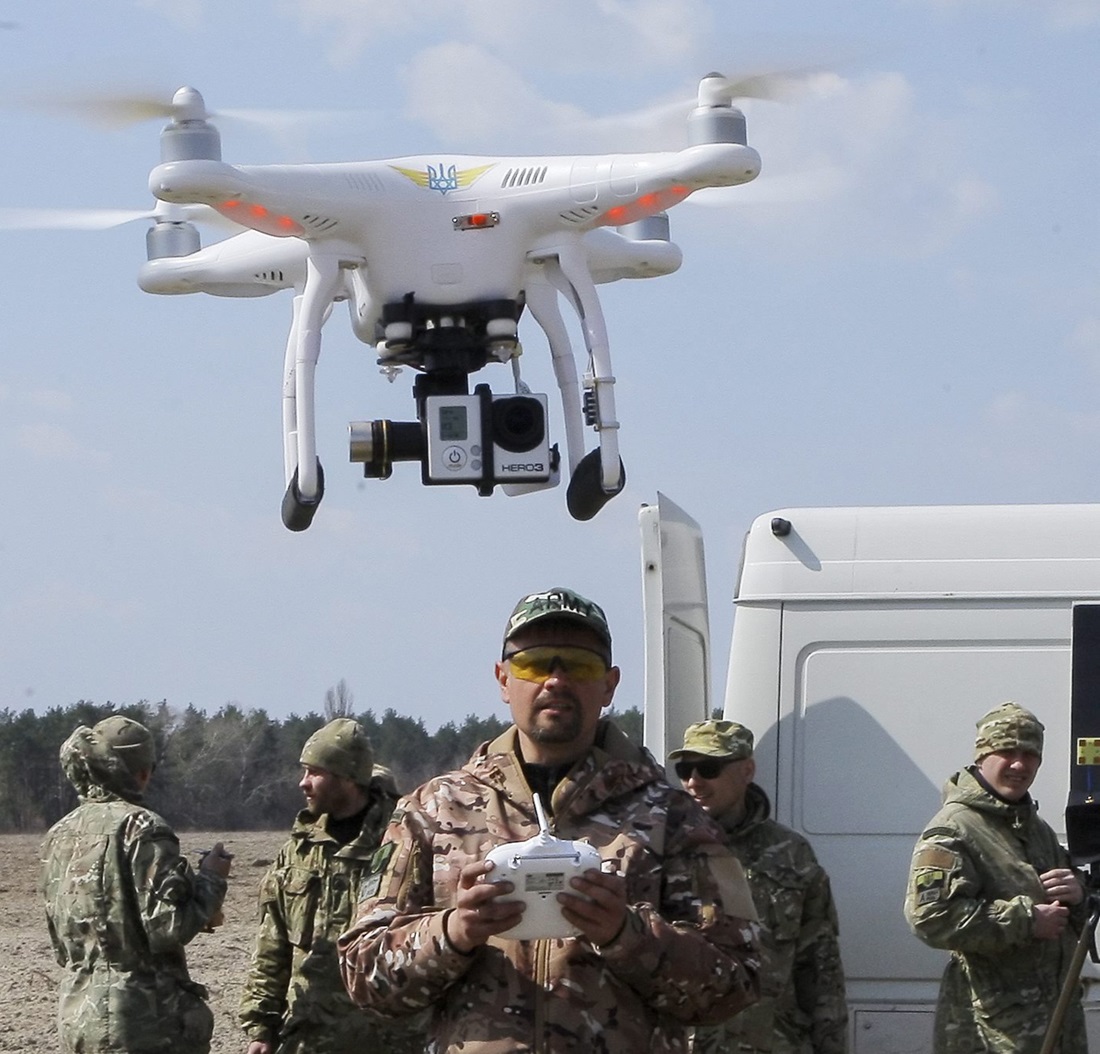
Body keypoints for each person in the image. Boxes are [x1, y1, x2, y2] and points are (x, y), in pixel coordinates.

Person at [339, 586, 762, 1054]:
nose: (555, 681)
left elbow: (738, 982)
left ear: (609, 684)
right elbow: (363, 978)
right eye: (534, 664)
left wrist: (627, 935)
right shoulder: (433, 810)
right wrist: (455, 931)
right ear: (503, 680)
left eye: (579, 666)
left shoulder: (673, 817)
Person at [904, 701, 1088, 1054]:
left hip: (1055, 1027)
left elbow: (1065, 917)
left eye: (1029, 754)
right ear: (982, 757)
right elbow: (929, 917)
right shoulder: (954, 829)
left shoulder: (1036, 829)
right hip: (990, 1033)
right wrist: (1026, 919)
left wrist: (1077, 894)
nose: (1019, 764)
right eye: (1006, 751)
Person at [40, 714, 231, 1054]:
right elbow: (169, 927)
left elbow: (60, 945)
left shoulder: (58, 835)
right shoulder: (141, 827)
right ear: (141, 772)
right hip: (145, 1023)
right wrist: (211, 879)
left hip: (77, 1017)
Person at [239, 718, 424, 1054]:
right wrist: (261, 1027)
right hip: (311, 1039)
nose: (303, 783)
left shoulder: (403, 844)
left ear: (348, 777)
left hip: (390, 1041)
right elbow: (273, 946)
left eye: (314, 772)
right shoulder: (299, 851)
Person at [670, 720, 848, 1054]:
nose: (694, 782)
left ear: (746, 771)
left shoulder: (791, 854)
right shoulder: (664, 851)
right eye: (685, 769)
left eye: (708, 768)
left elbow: (821, 969)